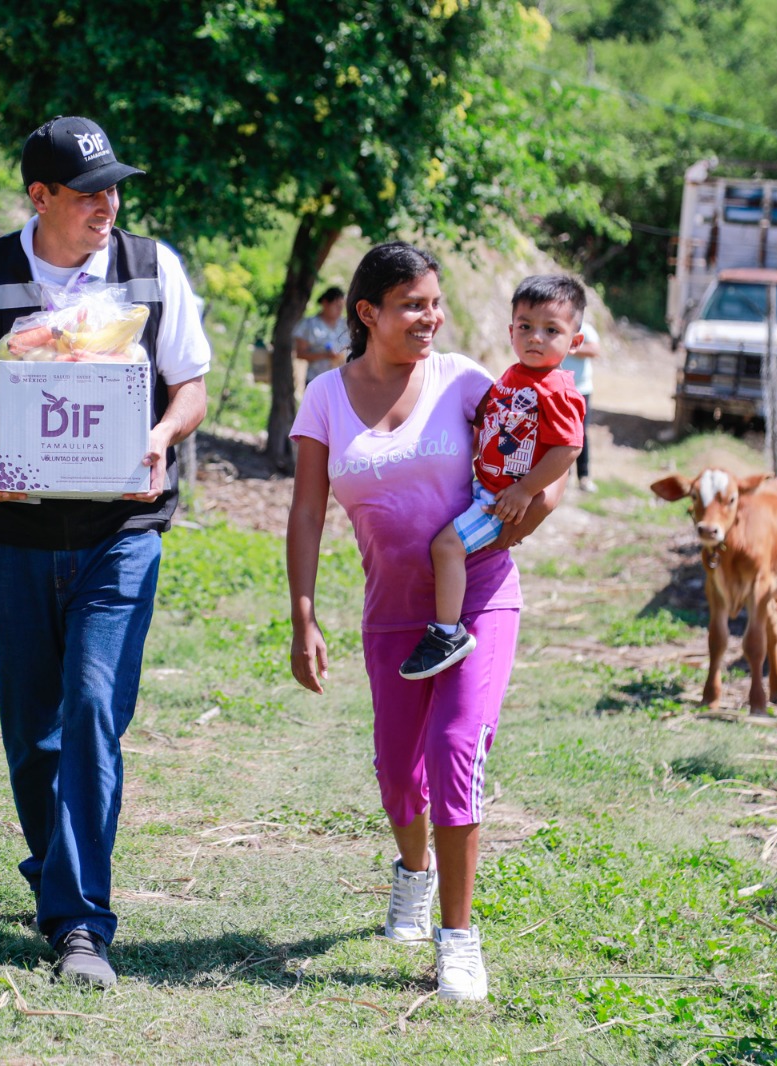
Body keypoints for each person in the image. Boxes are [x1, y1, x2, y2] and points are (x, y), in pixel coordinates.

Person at [0, 115, 211, 988]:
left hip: (118, 536)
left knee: (91, 710)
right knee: (31, 729)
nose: (108, 206)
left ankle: (81, 925)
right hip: (10, 537)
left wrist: (160, 435)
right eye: (89, 194)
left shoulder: (150, 269)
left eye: (115, 189)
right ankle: (58, 876)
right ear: (40, 197)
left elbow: (191, 385)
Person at [286, 243, 566, 1002]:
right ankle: (414, 871)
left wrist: (521, 519)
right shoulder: (326, 397)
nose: (431, 318)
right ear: (368, 313)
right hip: (392, 613)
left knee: (453, 752)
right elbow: (308, 510)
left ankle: (459, 940)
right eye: (414, 304)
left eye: (435, 303)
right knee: (396, 779)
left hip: (478, 597)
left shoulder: (466, 381)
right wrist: (303, 614)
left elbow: (543, 454)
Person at [399, 275, 587, 680]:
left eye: (551, 330)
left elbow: (568, 449)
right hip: (486, 485)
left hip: (501, 500)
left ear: (575, 342)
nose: (536, 338)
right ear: (511, 331)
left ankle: (447, 633)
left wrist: (525, 491)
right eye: (525, 326)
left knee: (446, 547)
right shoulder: (516, 374)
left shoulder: (556, 389)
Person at [561, 321, 599, 492]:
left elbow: (594, 350)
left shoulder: (586, 329)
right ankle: (563, 476)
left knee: (581, 433)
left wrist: (569, 346)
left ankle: (583, 476)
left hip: (581, 389)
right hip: (559, 389)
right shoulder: (558, 326)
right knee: (560, 433)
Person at [294, 286, 350, 386]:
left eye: (341, 306)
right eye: (336, 306)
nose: (340, 310)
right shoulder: (309, 324)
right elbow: (300, 354)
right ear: (325, 303)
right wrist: (325, 355)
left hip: (343, 381)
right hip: (317, 380)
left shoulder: (347, 325)